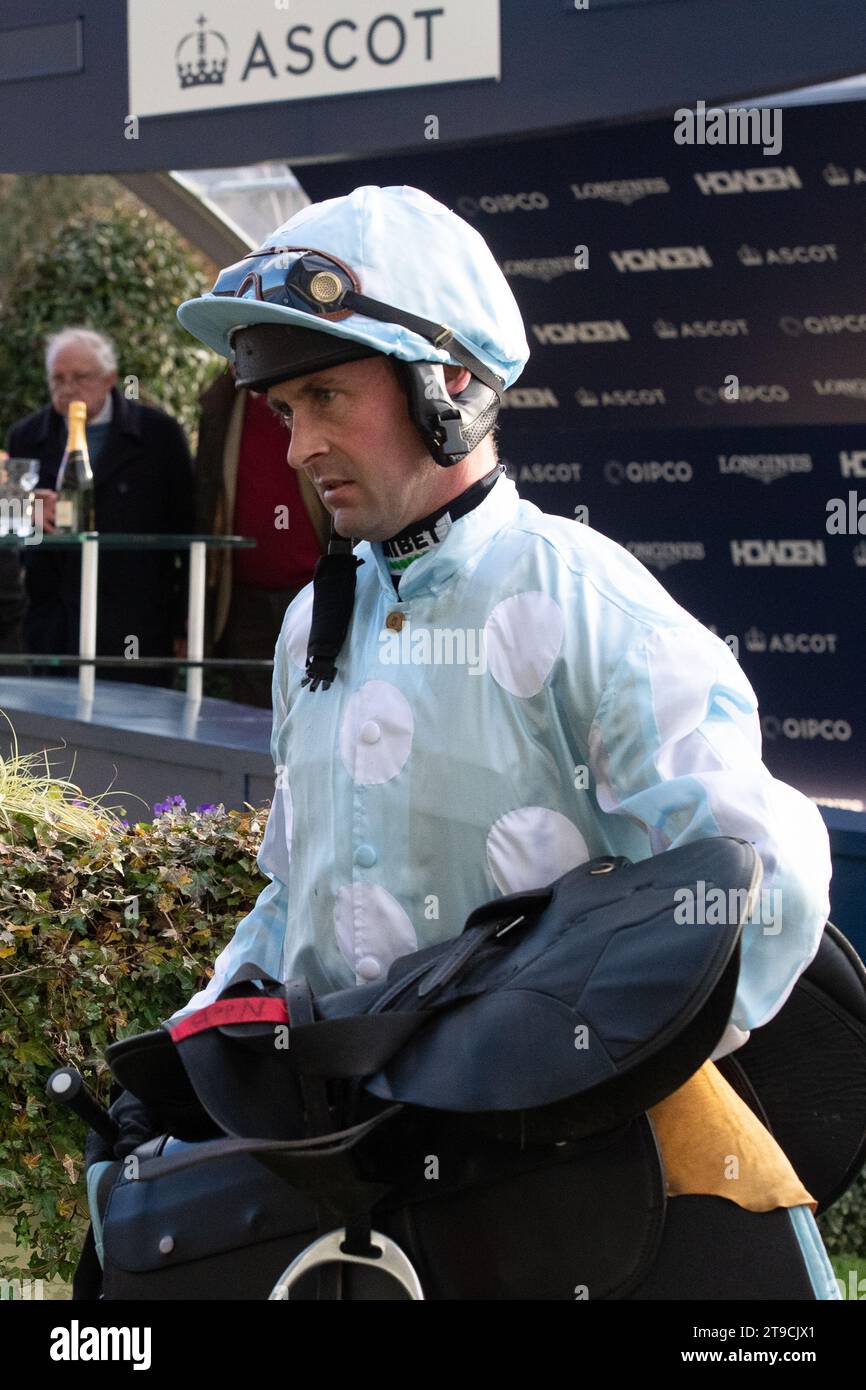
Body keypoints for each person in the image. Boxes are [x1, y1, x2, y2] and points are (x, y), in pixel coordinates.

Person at [90, 185, 840, 1299]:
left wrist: (555, 1075)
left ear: (448, 390)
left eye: (327, 397)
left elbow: (760, 886)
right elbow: (305, 895)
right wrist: (207, 1034)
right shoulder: (313, 623)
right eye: (284, 408)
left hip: (600, 1211)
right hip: (400, 1206)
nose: (298, 446)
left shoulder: (577, 598)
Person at [5, 327, 194, 687]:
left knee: (132, 732)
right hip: (54, 624)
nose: (68, 388)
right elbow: (11, 525)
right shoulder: (26, 436)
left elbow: (187, 527)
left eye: (80, 377)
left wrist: (185, 618)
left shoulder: (158, 434)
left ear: (109, 379)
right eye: (58, 379)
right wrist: (26, 506)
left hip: (135, 623)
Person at [194, 363, 330, 706]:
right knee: (250, 725)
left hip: (318, 590)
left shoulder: (320, 388)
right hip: (243, 597)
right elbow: (203, 503)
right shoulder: (223, 404)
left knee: (320, 706)